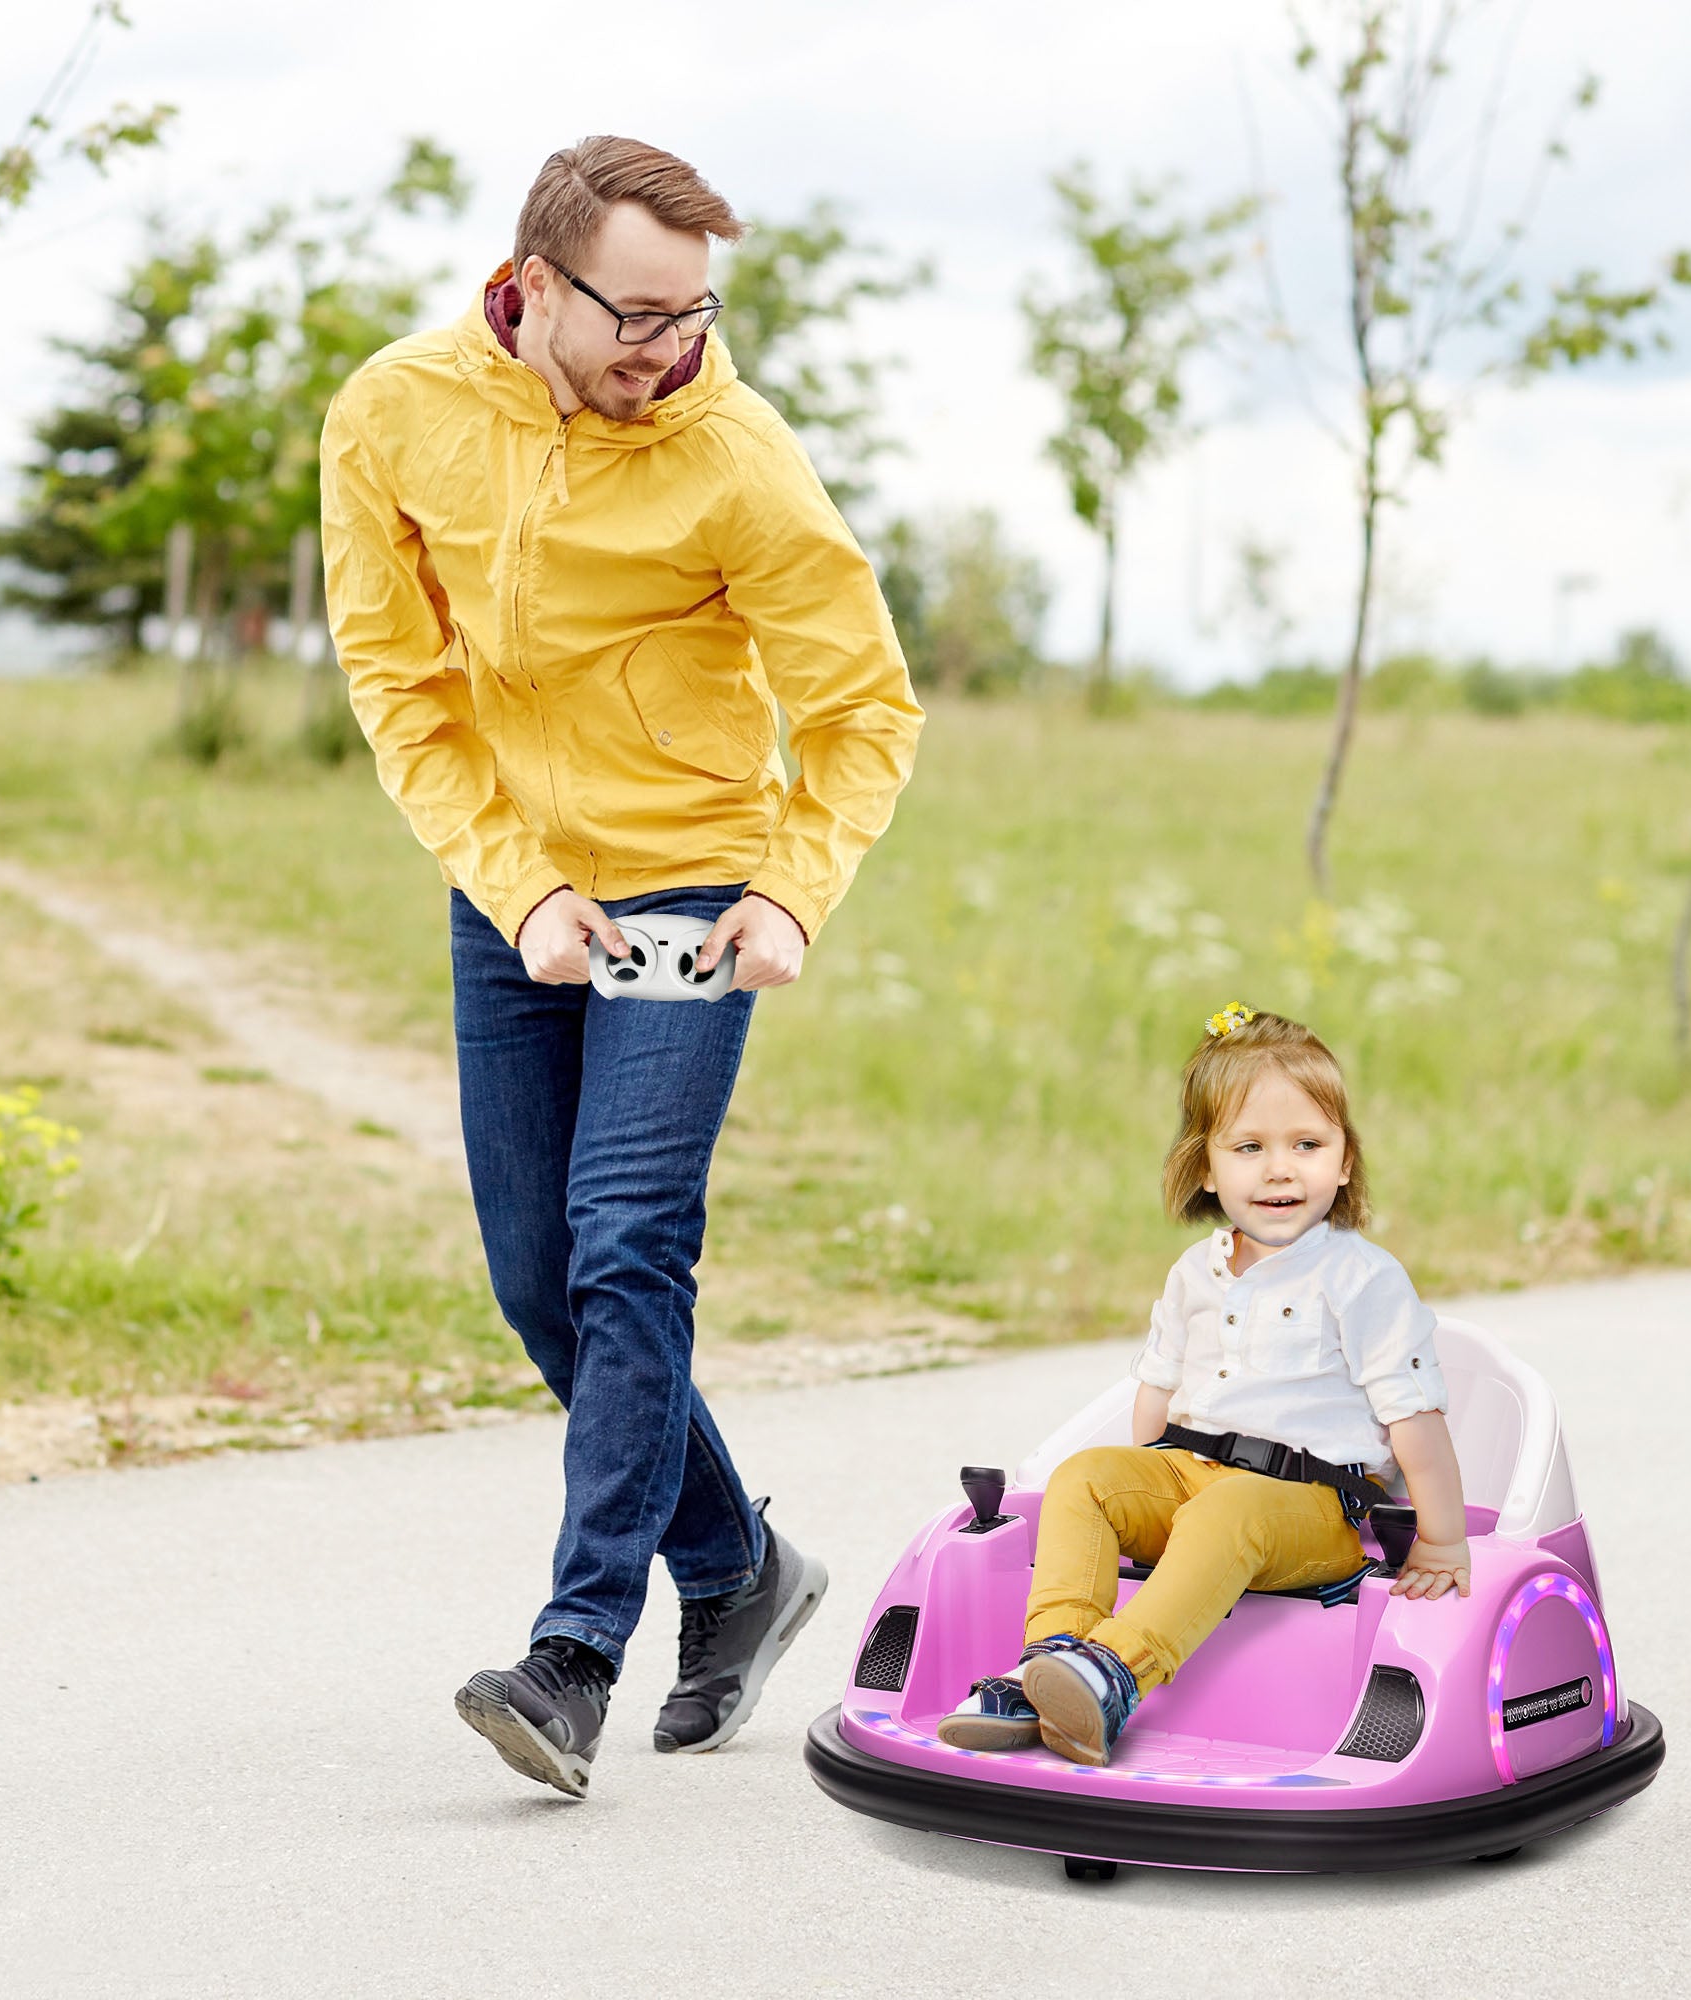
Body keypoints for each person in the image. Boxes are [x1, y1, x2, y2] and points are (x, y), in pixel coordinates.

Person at [319, 136, 923, 1799]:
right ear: (533, 281)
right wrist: (516, 892)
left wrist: (793, 892)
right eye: (638, 314)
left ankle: (573, 1659)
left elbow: (867, 708)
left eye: (695, 311)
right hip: (515, 889)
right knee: (536, 1277)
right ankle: (738, 1568)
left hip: (690, 893)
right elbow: (401, 687)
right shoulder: (393, 412)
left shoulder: (737, 457)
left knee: (627, 1244)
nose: (673, 347)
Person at [939, 1005, 1470, 1767]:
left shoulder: (1362, 1278)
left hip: (1310, 1508)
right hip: (1192, 1476)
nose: (1280, 1168)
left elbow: (1415, 1419)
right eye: (1249, 1147)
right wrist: (1144, 1496)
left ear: (1345, 1161)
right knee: (1087, 1477)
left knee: (1232, 1505)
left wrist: (1442, 1539)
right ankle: (1047, 1664)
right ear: (1206, 1169)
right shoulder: (1196, 1272)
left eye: (1307, 1145)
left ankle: (1115, 1670)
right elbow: (1156, 1398)